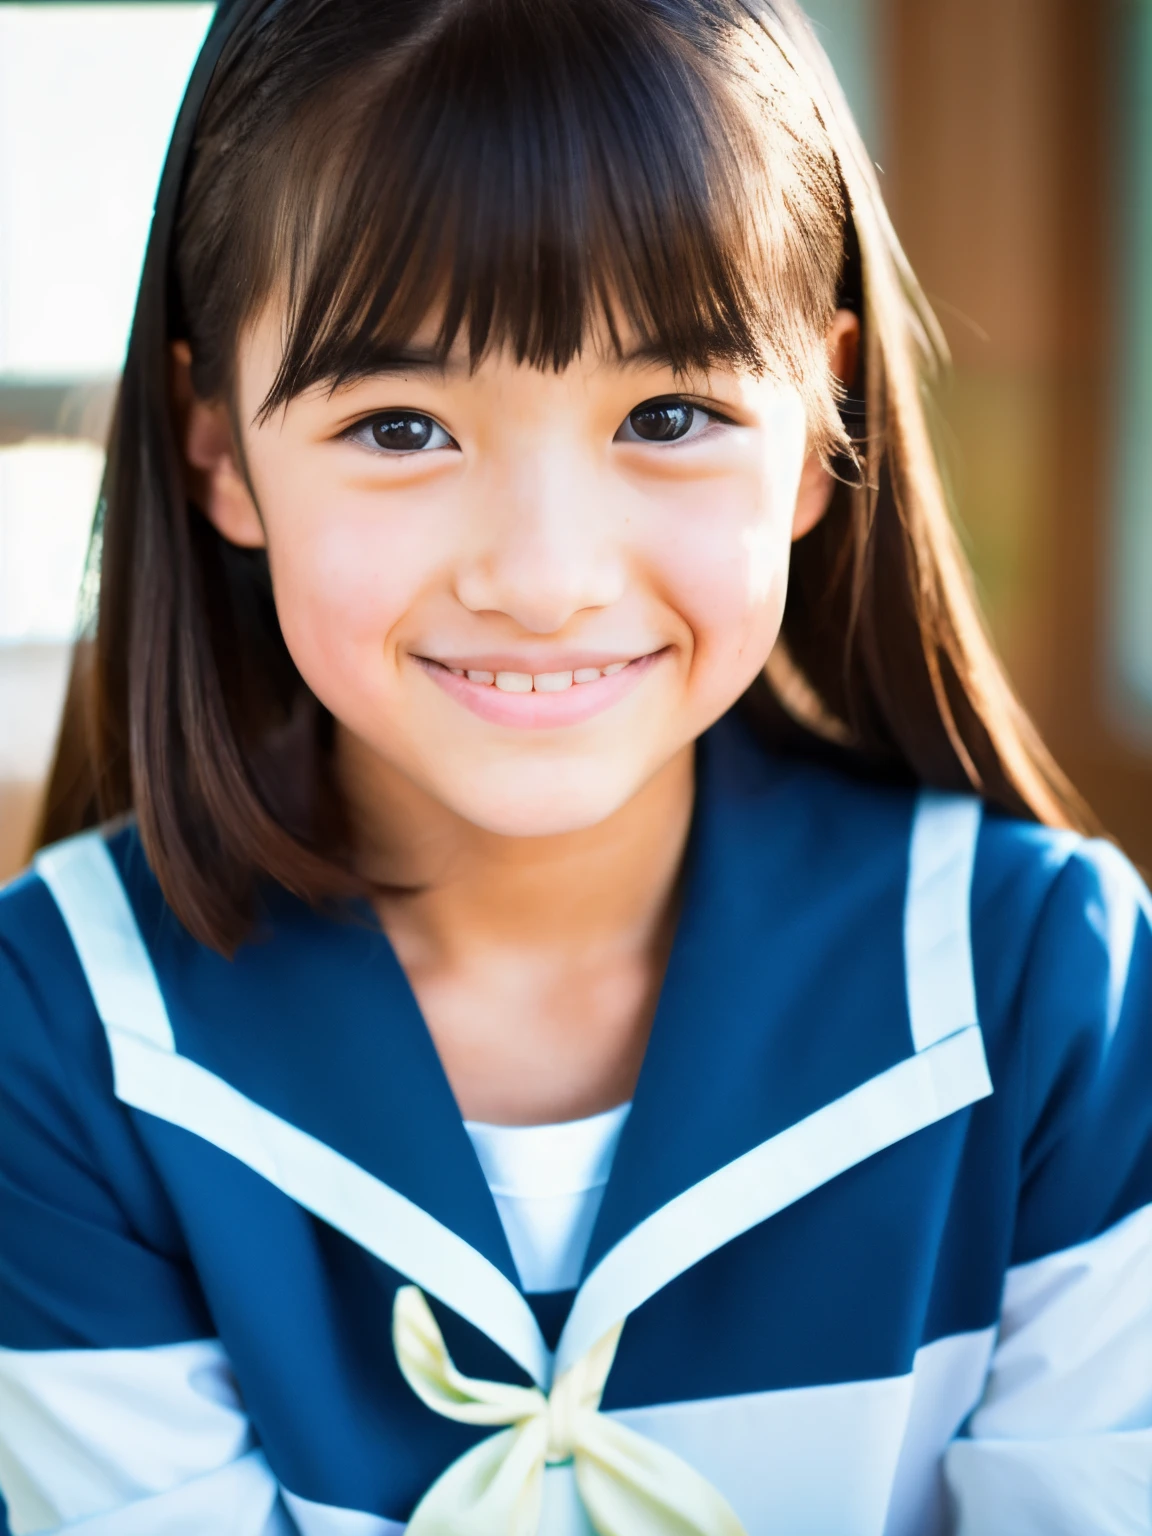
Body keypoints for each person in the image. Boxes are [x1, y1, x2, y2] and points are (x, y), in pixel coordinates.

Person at [1, 0, 1150, 1530]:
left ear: (819, 431)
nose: (542, 579)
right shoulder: (64, 1028)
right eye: (401, 424)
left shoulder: (1050, 985)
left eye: (668, 414)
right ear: (217, 450)